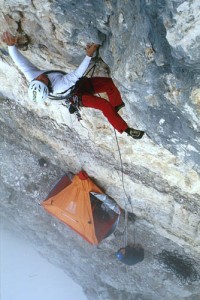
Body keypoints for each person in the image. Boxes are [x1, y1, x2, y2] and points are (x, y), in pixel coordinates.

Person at [2, 31, 145, 139]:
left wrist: (11, 47)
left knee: (110, 85)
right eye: (42, 79)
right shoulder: (59, 86)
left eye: (38, 78)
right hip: (77, 96)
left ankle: (116, 108)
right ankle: (126, 130)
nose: (40, 76)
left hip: (80, 85)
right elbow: (77, 74)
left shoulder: (34, 78)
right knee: (103, 105)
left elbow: (20, 63)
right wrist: (89, 55)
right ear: (46, 86)